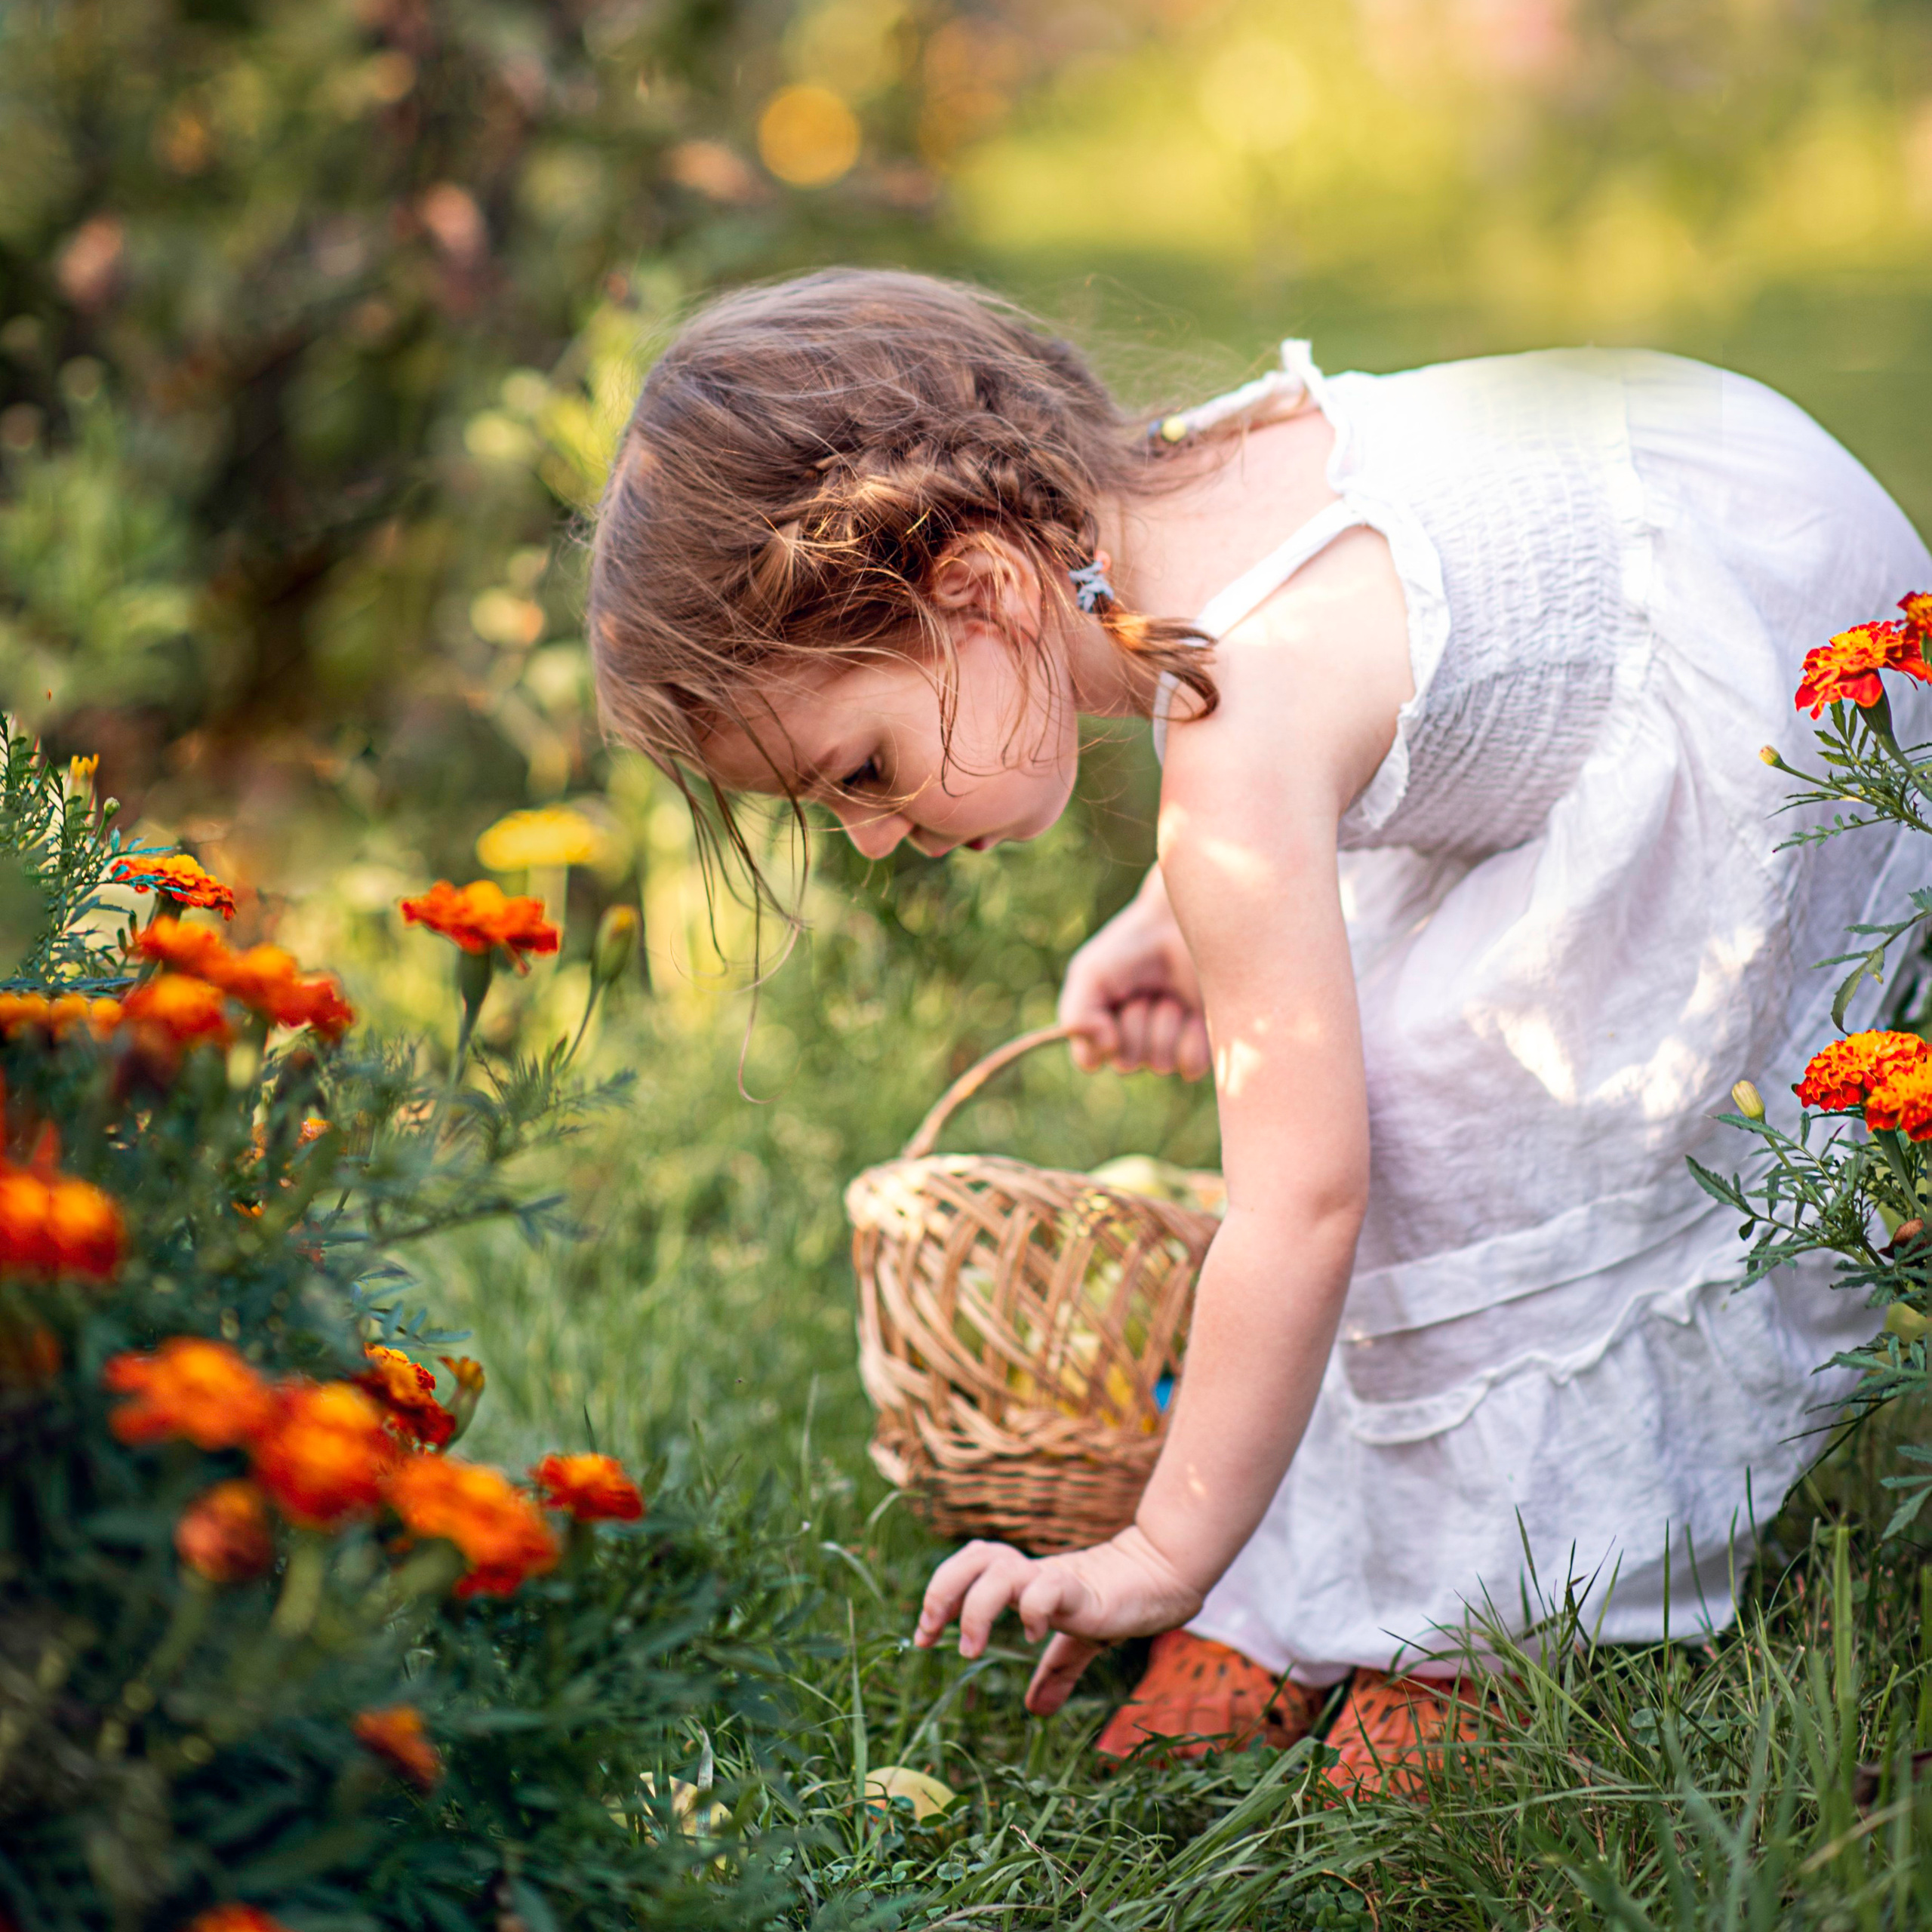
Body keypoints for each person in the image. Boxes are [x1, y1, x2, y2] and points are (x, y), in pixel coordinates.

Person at [584, 266, 1932, 1793]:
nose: (876, 836)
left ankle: (1492, 1614)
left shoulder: (1239, 729)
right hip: (1696, 490)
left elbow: (1302, 1199)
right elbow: (1391, 681)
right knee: (1377, 1034)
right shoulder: (1147, 514)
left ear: (977, 588)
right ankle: (1311, 1581)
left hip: (1749, 646)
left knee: (1454, 1117)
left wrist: (1161, 1543)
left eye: (863, 769)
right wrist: (1179, 915)